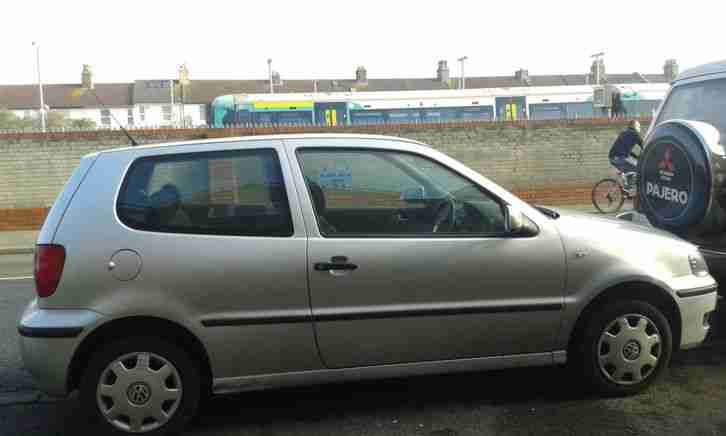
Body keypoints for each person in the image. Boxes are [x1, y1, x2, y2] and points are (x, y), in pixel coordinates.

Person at [609, 120, 643, 190]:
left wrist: (636, 157)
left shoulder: (624, 133)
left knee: (630, 169)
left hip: (612, 157)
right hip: (619, 158)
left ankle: (628, 187)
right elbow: (644, 145)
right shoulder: (635, 134)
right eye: (639, 126)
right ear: (635, 126)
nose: (639, 128)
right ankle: (627, 187)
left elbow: (626, 150)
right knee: (638, 168)